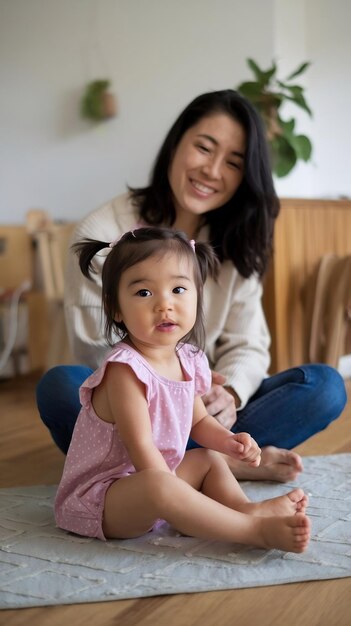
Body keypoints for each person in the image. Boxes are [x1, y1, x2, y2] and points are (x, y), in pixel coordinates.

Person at [37, 89, 347, 483]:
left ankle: (203, 459)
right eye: (204, 147)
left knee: (325, 387)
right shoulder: (102, 231)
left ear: (244, 178)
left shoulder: (238, 242)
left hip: (205, 410)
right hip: (130, 405)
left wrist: (228, 394)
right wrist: (172, 382)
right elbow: (99, 350)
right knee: (60, 386)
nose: (212, 171)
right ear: (175, 143)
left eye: (233, 163)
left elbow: (249, 344)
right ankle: (219, 464)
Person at [55, 227, 311, 552]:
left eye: (178, 289)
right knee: (158, 484)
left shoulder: (188, 358)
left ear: (197, 296)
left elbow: (200, 422)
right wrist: (180, 500)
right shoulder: (124, 369)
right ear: (115, 309)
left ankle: (245, 509)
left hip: (155, 481)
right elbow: (141, 447)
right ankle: (252, 529)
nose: (165, 305)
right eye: (144, 293)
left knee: (206, 458)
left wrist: (230, 443)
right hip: (103, 501)